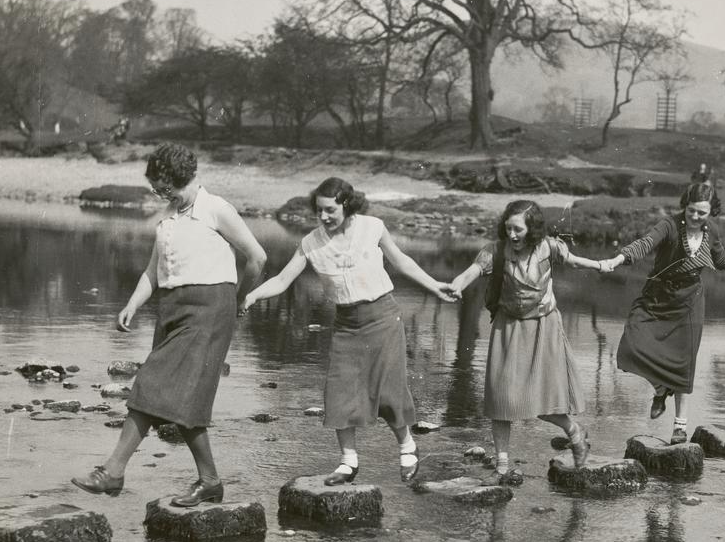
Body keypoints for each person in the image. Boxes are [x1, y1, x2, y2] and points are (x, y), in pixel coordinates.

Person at [71, 143, 266, 505]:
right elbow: (152, 270)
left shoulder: (217, 209)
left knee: (153, 385)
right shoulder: (170, 215)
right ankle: (209, 481)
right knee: (179, 398)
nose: (160, 194)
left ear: (184, 178)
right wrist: (131, 304)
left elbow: (257, 257)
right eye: (157, 189)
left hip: (209, 311)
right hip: (173, 309)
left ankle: (112, 472)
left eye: (164, 188)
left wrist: (238, 299)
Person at [240, 177, 456, 486]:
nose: (324, 217)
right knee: (339, 389)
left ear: (347, 205)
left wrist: (435, 285)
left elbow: (401, 261)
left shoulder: (372, 227)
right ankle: (348, 462)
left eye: (330, 210)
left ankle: (407, 445)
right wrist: (253, 295)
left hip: (383, 318)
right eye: (319, 211)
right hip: (346, 324)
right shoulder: (311, 242)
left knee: (387, 389)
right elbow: (283, 280)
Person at [446, 200, 600, 484]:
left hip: (544, 326)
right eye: (508, 229)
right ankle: (502, 466)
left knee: (544, 400)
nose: (513, 235)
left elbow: (574, 261)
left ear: (533, 230)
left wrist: (603, 264)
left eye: (518, 229)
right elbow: (473, 271)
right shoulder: (496, 251)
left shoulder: (549, 247)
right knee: (501, 397)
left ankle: (576, 435)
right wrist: (456, 284)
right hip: (509, 328)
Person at [599, 170, 725, 444]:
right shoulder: (669, 226)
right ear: (684, 206)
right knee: (632, 342)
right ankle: (660, 386)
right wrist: (618, 259)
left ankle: (680, 426)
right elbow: (645, 244)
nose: (696, 217)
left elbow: (719, 256)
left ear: (711, 212)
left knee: (684, 364)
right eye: (692, 210)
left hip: (689, 303)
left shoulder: (713, 232)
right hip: (657, 296)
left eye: (702, 213)